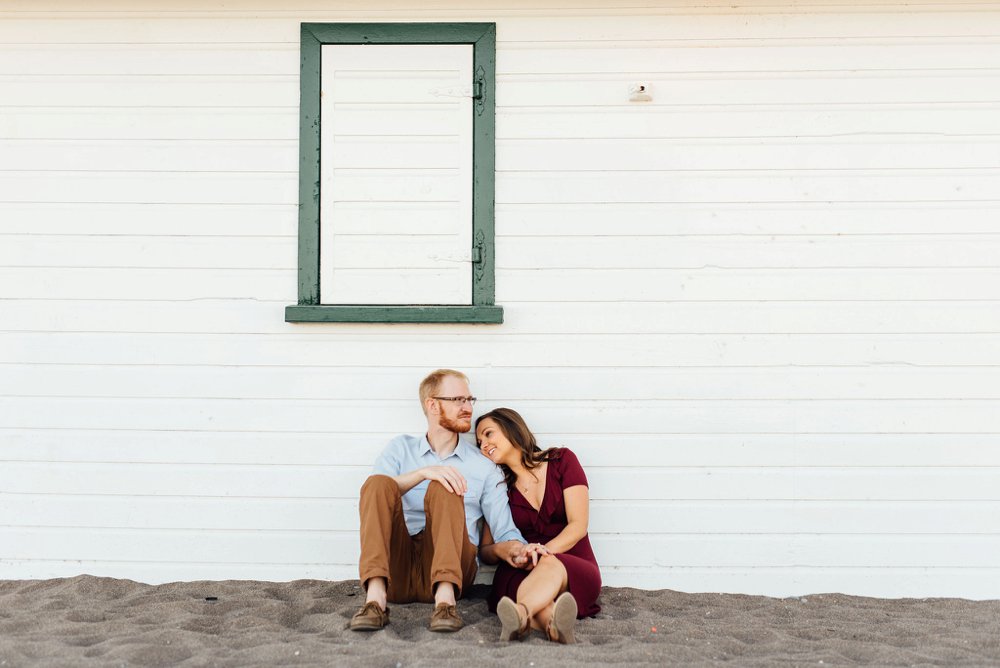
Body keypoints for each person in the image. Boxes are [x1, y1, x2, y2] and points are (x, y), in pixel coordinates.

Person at [350, 370, 528, 633]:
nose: (467, 407)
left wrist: (520, 549)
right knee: (377, 482)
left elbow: (504, 530)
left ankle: (445, 604)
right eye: (458, 399)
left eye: (470, 399)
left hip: (454, 571)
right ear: (432, 405)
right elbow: (376, 494)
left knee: (445, 486)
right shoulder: (400, 448)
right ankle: (375, 601)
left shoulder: (484, 466)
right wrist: (423, 472)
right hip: (398, 571)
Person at [475, 407, 602, 644]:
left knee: (548, 564)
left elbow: (578, 526)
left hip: (572, 563)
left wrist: (544, 552)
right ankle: (553, 626)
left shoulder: (562, 460)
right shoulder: (499, 489)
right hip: (520, 567)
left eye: (488, 434)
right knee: (539, 596)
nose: (483, 444)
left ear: (511, 427)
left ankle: (520, 614)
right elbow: (486, 551)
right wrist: (510, 551)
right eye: (479, 441)